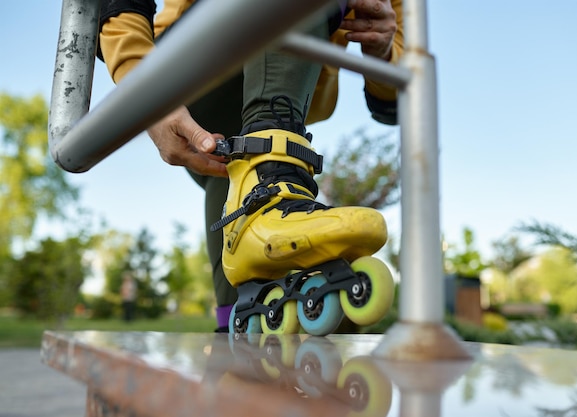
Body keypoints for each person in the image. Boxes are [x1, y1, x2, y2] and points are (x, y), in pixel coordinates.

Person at [98, 0, 403, 332]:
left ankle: (235, 313)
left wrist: (385, 51)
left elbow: (394, 100)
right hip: (193, 61)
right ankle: (267, 197)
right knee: (257, 162)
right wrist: (147, 95)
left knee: (237, 177)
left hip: (278, 83)